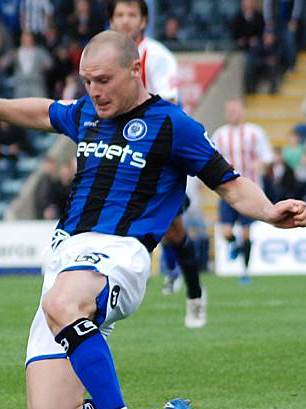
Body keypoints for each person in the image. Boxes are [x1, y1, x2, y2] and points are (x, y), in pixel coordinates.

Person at [0, 30, 306, 409]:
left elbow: (230, 183)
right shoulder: (87, 111)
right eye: (87, 80)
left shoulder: (172, 124)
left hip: (119, 253)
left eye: (103, 80)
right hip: (65, 258)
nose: (94, 90)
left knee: (64, 302)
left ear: (135, 70)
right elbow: (44, 112)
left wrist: (270, 211)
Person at [109, 0, 207, 328]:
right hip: (116, 151)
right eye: (119, 15)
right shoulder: (100, 53)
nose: (125, 21)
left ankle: (195, 292)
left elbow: (169, 104)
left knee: (174, 232)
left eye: (131, 15)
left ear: (143, 20)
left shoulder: (159, 56)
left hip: (157, 151)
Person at [213, 98, 273, 284]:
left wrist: (261, 165)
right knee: (225, 232)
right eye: (230, 110)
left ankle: (245, 271)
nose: (233, 114)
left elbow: (268, 158)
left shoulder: (255, 132)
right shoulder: (220, 135)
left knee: (246, 232)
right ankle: (235, 246)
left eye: (236, 110)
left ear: (243, 112)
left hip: (249, 191)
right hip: (227, 191)